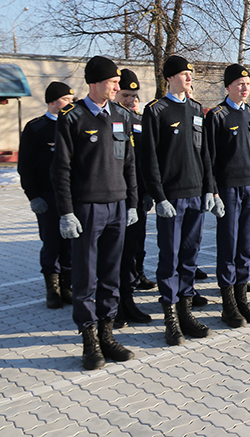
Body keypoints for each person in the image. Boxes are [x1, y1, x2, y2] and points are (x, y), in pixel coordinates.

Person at [50, 56, 138, 370]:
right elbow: (60, 169)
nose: (118, 86)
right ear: (95, 83)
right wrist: (66, 212)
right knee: (86, 277)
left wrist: (132, 202)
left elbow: (128, 163)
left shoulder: (121, 116)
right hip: (87, 208)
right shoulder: (72, 117)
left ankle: (107, 332)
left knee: (111, 275)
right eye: (113, 82)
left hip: (116, 205)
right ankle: (89, 339)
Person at [141, 55, 216, 346]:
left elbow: (205, 154)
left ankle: (186, 311)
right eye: (184, 73)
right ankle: (170, 318)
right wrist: (158, 196)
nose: (189, 78)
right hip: (171, 198)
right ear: (169, 78)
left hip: (195, 195)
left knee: (189, 257)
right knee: (169, 259)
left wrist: (208, 188)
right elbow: (149, 159)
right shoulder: (156, 111)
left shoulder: (197, 109)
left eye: (191, 74)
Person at [204, 63, 250, 328]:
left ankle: (241, 298)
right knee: (228, 245)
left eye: (248, 83)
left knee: (245, 246)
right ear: (228, 87)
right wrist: (213, 191)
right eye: (240, 84)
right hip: (227, 188)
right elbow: (209, 157)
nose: (245, 88)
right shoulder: (217, 115)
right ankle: (228, 304)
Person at [19, 81, 75, 310]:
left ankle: (67, 286)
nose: (71, 104)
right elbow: (25, 166)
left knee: (71, 243)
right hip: (47, 196)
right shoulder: (36, 128)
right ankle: (52, 290)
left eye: (72, 100)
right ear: (52, 102)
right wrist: (33, 196)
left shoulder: (73, 124)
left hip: (71, 197)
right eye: (66, 100)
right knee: (52, 243)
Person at [112, 69, 153, 328]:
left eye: (134, 96)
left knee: (131, 252)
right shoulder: (110, 119)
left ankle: (127, 301)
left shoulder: (138, 121)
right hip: (114, 198)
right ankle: (114, 306)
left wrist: (147, 193)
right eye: (126, 95)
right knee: (114, 256)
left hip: (136, 199)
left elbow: (147, 161)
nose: (130, 100)